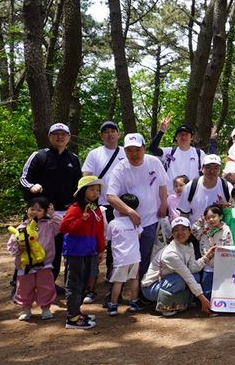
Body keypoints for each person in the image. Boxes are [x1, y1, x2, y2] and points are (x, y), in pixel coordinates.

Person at [20, 123, 82, 286]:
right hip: (40, 213)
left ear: (69, 138)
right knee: (31, 246)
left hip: (64, 213)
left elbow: (79, 185)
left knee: (55, 251)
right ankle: (21, 284)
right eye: (56, 134)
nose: (60, 137)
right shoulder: (39, 156)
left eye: (63, 134)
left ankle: (49, 283)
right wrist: (31, 186)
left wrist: (78, 205)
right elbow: (23, 179)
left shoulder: (73, 159)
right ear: (49, 137)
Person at [106, 133, 168, 281]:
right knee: (121, 257)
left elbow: (162, 185)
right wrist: (129, 211)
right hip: (126, 223)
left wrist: (163, 204)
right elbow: (110, 196)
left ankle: (140, 291)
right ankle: (115, 291)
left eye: (137, 149)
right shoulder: (120, 168)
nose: (133, 154)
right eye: (129, 150)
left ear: (144, 148)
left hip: (150, 219)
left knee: (145, 255)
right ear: (125, 151)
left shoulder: (154, 162)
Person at [80, 120, 126, 304]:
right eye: (105, 132)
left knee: (117, 246)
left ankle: (113, 282)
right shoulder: (94, 154)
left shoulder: (126, 152)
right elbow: (86, 177)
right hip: (99, 205)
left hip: (121, 206)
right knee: (96, 244)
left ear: (118, 133)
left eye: (113, 131)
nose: (110, 134)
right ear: (101, 136)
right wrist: (89, 202)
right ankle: (89, 285)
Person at [140, 217, 216, 317]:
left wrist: (206, 257)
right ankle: (165, 306)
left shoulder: (189, 245)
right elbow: (187, 275)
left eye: (183, 229)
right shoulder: (171, 253)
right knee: (181, 279)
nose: (180, 233)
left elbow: (193, 268)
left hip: (168, 280)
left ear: (189, 232)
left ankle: (180, 303)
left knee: (196, 276)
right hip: (151, 288)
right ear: (172, 234)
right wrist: (202, 299)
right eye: (176, 230)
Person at [60, 176, 106, 329]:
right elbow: (64, 228)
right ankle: (72, 318)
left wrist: (100, 249)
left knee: (83, 284)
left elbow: (100, 231)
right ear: (82, 191)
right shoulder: (75, 208)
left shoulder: (96, 209)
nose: (95, 193)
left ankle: (76, 312)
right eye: (91, 189)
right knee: (74, 284)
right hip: (75, 252)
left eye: (97, 190)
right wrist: (81, 220)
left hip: (89, 251)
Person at [7, 197, 59, 321]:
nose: (35, 212)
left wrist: (52, 214)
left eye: (39, 210)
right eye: (32, 209)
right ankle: (26, 309)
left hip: (44, 264)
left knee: (45, 286)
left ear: (45, 212)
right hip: (25, 265)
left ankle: (45, 309)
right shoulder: (20, 227)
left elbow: (62, 224)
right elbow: (11, 245)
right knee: (24, 287)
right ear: (27, 210)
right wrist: (19, 248)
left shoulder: (49, 225)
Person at [105, 193, 144, 316]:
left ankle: (113, 305)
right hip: (135, 257)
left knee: (118, 282)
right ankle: (133, 303)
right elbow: (139, 235)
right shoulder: (136, 221)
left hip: (120, 259)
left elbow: (108, 238)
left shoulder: (113, 223)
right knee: (135, 279)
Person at [148, 115, 206, 189]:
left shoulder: (199, 153)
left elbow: (207, 172)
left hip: (192, 196)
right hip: (172, 195)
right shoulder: (170, 152)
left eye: (186, 134)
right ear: (176, 137)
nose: (183, 137)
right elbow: (152, 148)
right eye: (180, 134)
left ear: (192, 138)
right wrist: (161, 131)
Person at [177, 154, 232, 226]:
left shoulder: (227, 187)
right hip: (196, 232)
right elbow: (184, 214)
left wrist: (226, 207)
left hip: (219, 233)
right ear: (202, 169)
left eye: (216, 168)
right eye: (208, 167)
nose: (212, 171)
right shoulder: (191, 187)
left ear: (220, 170)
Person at [192, 205, 232, 300]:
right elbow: (193, 231)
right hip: (207, 265)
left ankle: (220, 306)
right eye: (208, 218)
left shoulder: (226, 230)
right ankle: (208, 305)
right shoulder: (204, 229)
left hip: (222, 265)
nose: (211, 220)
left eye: (214, 216)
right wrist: (199, 223)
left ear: (220, 216)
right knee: (207, 289)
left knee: (221, 288)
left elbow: (230, 246)